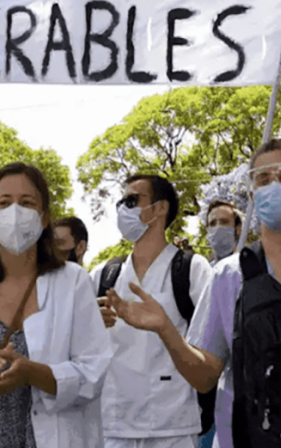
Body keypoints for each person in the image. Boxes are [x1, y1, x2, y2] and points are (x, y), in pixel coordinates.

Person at [107, 139, 281, 448]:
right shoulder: (227, 275)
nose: (275, 186)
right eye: (263, 179)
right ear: (253, 195)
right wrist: (166, 330)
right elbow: (205, 377)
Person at [0, 162, 113, 448]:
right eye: (4, 203)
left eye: (26, 203)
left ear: (44, 217)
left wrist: (33, 374)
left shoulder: (73, 282)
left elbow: (94, 371)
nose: (14, 212)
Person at [93, 174, 214, 448]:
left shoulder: (192, 269)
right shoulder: (104, 274)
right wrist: (91, 325)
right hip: (114, 425)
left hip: (174, 426)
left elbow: (212, 351)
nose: (123, 209)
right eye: (121, 202)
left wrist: (164, 326)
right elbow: (75, 342)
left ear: (160, 208)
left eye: (132, 200)